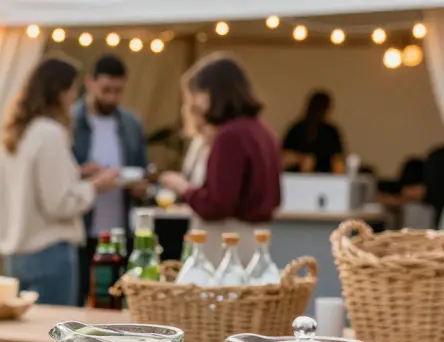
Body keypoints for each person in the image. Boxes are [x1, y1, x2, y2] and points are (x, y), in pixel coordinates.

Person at [0, 57, 120, 342]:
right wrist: (96, 186)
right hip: (50, 251)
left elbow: (39, 190)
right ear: (60, 92)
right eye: (73, 90)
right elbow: (60, 203)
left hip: (20, 250)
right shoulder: (48, 133)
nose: (76, 97)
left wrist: (78, 174)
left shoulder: (20, 131)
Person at [159, 54, 282, 265]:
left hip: (224, 245)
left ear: (212, 92)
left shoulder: (230, 135)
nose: (195, 102)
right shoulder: (263, 131)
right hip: (256, 242)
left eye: (198, 94)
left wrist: (184, 188)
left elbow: (216, 205)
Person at [70, 54, 148, 306]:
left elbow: (142, 171)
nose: (112, 97)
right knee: (76, 301)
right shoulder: (70, 121)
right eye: (106, 90)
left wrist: (140, 185)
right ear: (90, 83)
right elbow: (58, 177)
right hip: (80, 228)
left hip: (118, 231)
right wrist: (82, 173)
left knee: (114, 303)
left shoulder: (131, 124)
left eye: (118, 91)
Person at [282, 91, 345, 174]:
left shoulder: (296, 129)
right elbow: (284, 157)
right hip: (308, 178)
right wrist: (300, 160)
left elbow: (337, 161)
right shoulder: (330, 132)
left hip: (319, 178)